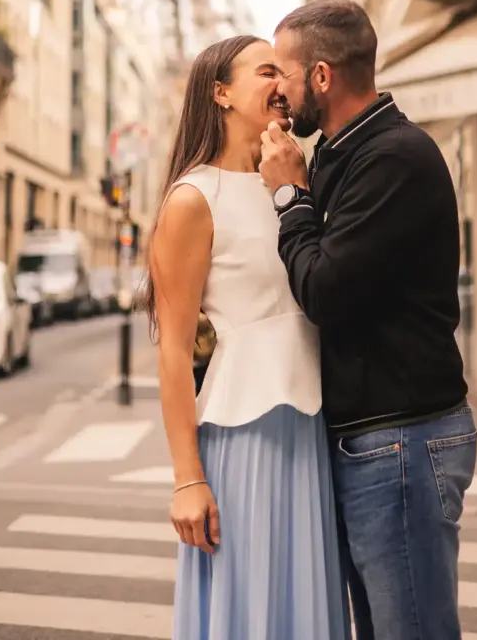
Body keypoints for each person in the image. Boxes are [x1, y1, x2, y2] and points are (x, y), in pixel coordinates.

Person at [259, 0, 477, 640]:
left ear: (321, 77)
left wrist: (288, 197)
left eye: (284, 73)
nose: (278, 91)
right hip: (374, 437)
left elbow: (325, 289)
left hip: (401, 439)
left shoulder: (394, 158)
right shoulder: (337, 154)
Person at [146, 34, 351, 640]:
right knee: (254, 609)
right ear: (221, 93)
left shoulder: (292, 178)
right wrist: (188, 479)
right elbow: (173, 351)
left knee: (305, 607)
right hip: (245, 436)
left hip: (312, 427)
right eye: (265, 71)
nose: (280, 85)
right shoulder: (193, 198)